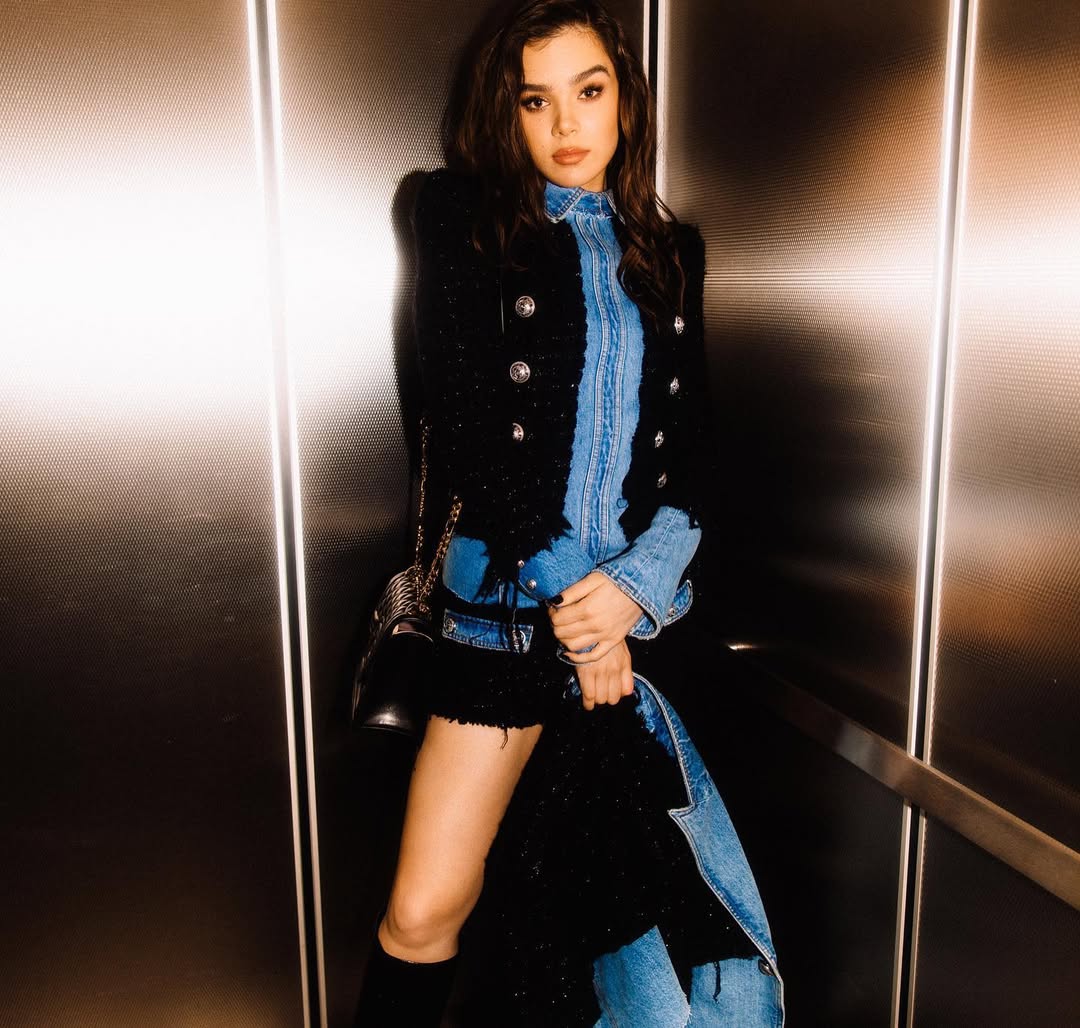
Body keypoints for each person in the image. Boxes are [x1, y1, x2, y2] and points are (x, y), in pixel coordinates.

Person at [354, 1, 783, 1024]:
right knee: (426, 907)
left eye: (588, 91)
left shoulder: (669, 249)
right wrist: (578, 608)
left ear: (625, 98)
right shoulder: (458, 218)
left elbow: (697, 450)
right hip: (507, 622)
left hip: (638, 632)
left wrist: (636, 588)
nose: (565, 124)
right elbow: (467, 424)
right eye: (534, 100)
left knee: (611, 933)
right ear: (503, 114)